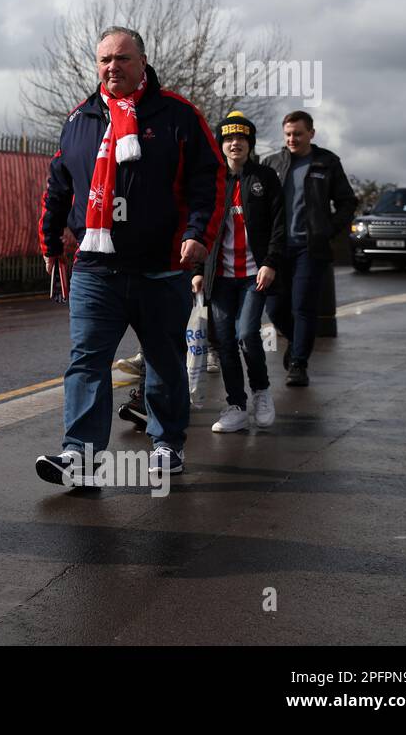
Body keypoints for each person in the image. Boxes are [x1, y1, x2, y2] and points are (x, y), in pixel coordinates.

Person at [36, 26, 224, 484]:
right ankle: (80, 459)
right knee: (87, 362)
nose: (112, 67)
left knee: (163, 360)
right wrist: (49, 239)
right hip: (95, 270)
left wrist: (199, 233)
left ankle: (166, 444)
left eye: (122, 58)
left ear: (143, 62)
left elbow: (210, 179)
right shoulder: (80, 118)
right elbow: (59, 185)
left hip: (160, 268)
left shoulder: (178, 114)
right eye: (104, 60)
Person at [193, 112, 285, 432]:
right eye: (229, 138)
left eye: (241, 138)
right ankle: (235, 405)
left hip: (253, 275)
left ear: (250, 143)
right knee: (226, 342)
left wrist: (270, 262)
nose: (235, 143)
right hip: (220, 277)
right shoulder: (213, 181)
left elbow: (279, 225)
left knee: (246, 334)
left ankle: (261, 392)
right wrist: (197, 269)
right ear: (221, 143)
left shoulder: (265, 178)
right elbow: (200, 226)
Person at [263, 110, 356, 387]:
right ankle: (296, 342)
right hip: (276, 250)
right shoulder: (272, 164)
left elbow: (347, 202)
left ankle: (298, 364)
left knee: (302, 306)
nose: (292, 139)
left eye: (298, 134)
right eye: (288, 134)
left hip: (309, 249)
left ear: (311, 134)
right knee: (275, 308)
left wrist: (327, 231)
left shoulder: (327, 162)